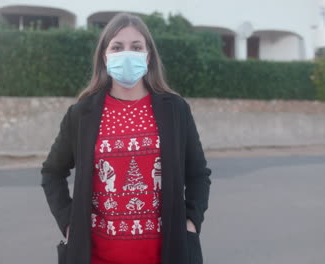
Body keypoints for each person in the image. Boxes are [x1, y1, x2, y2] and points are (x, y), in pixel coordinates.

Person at [41, 12, 212, 264]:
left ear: (148, 55)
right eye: (117, 47)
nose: (127, 54)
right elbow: (52, 172)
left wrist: (191, 223)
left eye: (136, 46)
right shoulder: (81, 114)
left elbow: (198, 174)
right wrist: (69, 224)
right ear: (104, 55)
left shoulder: (175, 109)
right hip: (97, 257)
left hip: (166, 256)